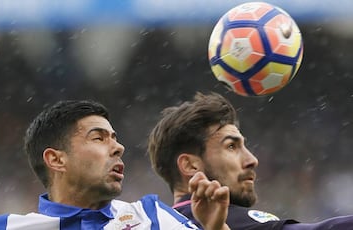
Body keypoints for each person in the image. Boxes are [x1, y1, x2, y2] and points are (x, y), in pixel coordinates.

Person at [0, 99, 231, 230]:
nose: (118, 147)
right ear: (56, 159)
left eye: (115, 138)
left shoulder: (151, 217)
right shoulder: (3, 228)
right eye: (98, 138)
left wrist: (217, 228)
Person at [147, 92, 353, 230]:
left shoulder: (158, 223)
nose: (252, 160)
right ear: (190, 165)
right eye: (231, 146)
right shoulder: (228, 220)